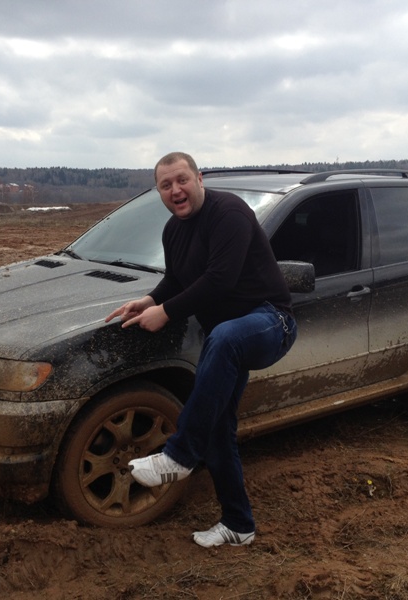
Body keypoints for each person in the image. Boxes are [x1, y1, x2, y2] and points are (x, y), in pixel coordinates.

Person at [105, 152, 297, 548]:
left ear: (199, 179)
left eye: (182, 180)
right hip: (225, 341)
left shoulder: (229, 213)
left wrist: (166, 312)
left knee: (225, 336)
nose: (175, 190)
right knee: (217, 428)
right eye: (165, 185)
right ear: (159, 192)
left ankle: (178, 456)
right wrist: (149, 300)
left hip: (269, 321)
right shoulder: (173, 231)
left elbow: (220, 279)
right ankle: (238, 525)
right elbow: (177, 280)